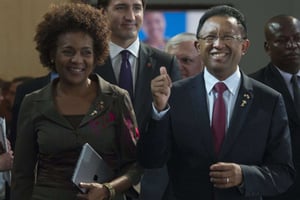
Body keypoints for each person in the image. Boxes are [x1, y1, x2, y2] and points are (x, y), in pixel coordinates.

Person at [137, 5, 295, 200]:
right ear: (198, 46)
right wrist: (159, 111)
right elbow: (150, 160)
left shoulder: (269, 100)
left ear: (244, 46)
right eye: (210, 37)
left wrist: (244, 175)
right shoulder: (173, 95)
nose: (218, 44)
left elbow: (284, 173)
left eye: (228, 37)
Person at [10, 3, 141, 200]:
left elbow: (135, 165)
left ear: (96, 55)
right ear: (52, 54)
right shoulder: (33, 103)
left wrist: (108, 189)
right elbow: (22, 175)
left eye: (86, 52)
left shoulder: (116, 99)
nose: (77, 60)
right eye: (68, 51)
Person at [94, 0, 181, 200]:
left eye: (137, 8)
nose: (131, 16)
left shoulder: (166, 62)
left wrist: (160, 108)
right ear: (101, 12)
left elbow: (174, 127)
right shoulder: (89, 63)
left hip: (154, 184)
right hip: (100, 181)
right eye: (121, 7)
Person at [250, 15, 300, 200]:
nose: (292, 45)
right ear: (267, 47)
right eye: (282, 40)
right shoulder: (253, 86)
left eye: (297, 38)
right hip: (275, 189)